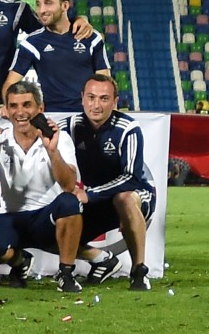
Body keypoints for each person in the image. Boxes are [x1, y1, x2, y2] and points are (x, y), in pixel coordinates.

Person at [0, 81, 85, 292]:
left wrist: (52, 152)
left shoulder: (60, 138)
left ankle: (66, 274)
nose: (20, 112)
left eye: (27, 105)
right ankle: (20, 261)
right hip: (11, 217)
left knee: (69, 203)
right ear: (6, 110)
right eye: (13, 106)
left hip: (46, 218)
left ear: (40, 108)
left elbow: (68, 185)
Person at [60, 74, 155, 290]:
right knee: (55, 234)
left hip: (135, 195)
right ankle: (102, 259)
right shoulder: (69, 126)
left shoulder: (128, 128)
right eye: (91, 97)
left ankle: (139, 271)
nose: (96, 105)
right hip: (97, 201)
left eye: (104, 99)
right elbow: (37, 136)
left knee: (124, 199)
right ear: (82, 98)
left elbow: (131, 178)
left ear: (115, 102)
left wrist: (90, 194)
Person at [4, 0, 111, 112]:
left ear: (65, 6)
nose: (41, 10)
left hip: (88, 115)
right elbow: (10, 83)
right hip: (53, 116)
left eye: (48, 3)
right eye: (38, 4)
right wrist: (8, 106)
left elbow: (106, 82)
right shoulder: (31, 43)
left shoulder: (91, 37)